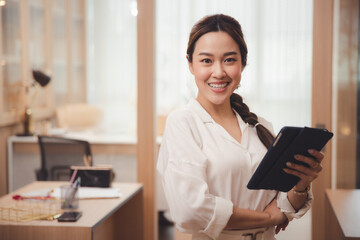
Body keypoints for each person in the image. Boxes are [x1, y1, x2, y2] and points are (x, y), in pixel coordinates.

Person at [157, 14, 324, 240]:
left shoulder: (261, 127)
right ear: (190, 64)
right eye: (206, 60)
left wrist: (301, 185)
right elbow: (191, 210)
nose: (218, 72)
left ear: (243, 64)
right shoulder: (183, 123)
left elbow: (284, 205)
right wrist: (267, 218)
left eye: (229, 60)